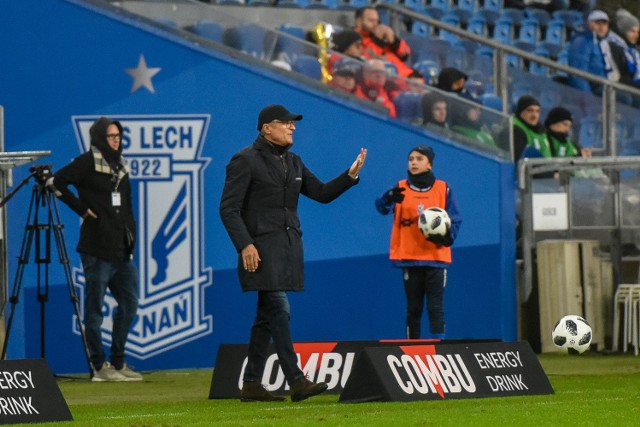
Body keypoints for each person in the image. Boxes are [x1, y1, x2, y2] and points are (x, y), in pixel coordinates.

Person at [219, 104, 367, 402]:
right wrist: (245, 244)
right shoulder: (244, 160)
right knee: (279, 308)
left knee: (266, 316)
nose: (292, 127)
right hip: (259, 249)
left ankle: (251, 384)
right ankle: (296, 380)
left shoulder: (294, 161)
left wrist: (349, 176)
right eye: (285, 123)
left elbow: (322, 194)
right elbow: (228, 208)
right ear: (266, 128)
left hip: (287, 248)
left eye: (293, 123)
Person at [47, 117, 142, 382]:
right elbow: (56, 183)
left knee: (130, 304)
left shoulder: (120, 165)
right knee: (95, 310)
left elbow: (127, 203)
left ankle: (119, 361)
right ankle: (100, 367)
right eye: (111, 136)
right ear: (100, 137)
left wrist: (131, 235)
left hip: (122, 250)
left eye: (118, 136)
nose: (116, 140)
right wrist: (81, 209)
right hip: (96, 248)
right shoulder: (87, 162)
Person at [375, 145, 461, 340]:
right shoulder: (399, 188)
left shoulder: (443, 188)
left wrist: (448, 237)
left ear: (429, 164)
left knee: (435, 307)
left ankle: (438, 352)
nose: (413, 162)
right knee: (413, 309)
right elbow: (381, 208)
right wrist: (388, 197)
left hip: (435, 258)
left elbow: (456, 218)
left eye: (419, 159)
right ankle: (412, 351)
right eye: (411, 158)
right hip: (410, 257)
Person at [568, 10, 630, 95]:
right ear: (589, 23)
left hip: (606, 86)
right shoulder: (582, 41)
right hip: (593, 88)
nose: (601, 27)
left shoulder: (604, 43)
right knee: (625, 99)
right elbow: (578, 74)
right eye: (598, 23)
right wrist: (588, 97)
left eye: (604, 24)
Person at [353, 6, 415, 78]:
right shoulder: (353, 39)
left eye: (377, 21)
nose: (375, 24)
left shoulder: (384, 36)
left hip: (408, 77)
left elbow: (405, 55)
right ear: (359, 22)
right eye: (371, 20)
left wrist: (394, 41)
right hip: (387, 78)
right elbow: (371, 60)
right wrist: (378, 41)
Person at [511, 95, 551, 160]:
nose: (534, 115)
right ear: (521, 111)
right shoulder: (515, 129)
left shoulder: (542, 131)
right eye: (530, 110)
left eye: (537, 111)